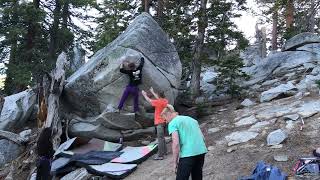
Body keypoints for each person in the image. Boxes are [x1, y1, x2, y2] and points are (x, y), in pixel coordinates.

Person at [161, 104, 207, 180]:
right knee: (197, 176)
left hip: (188, 154)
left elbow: (176, 144)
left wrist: (175, 162)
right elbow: (202, 137)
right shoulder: (192, 120)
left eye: (165, 119)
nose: (166, 122)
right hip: (201, 151)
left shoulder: (172, 123)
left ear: (168, 114)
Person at [141, 87, 168, 160]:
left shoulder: (158, 102)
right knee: (162, 138)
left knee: (160, 139)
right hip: (164, 122)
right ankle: (165, 151)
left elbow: (149, 100)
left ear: (159, 96)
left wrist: (144, 94)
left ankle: (160, 155)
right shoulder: (165, 100)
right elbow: (158, 98)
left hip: (159, 123)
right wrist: (152, 92)